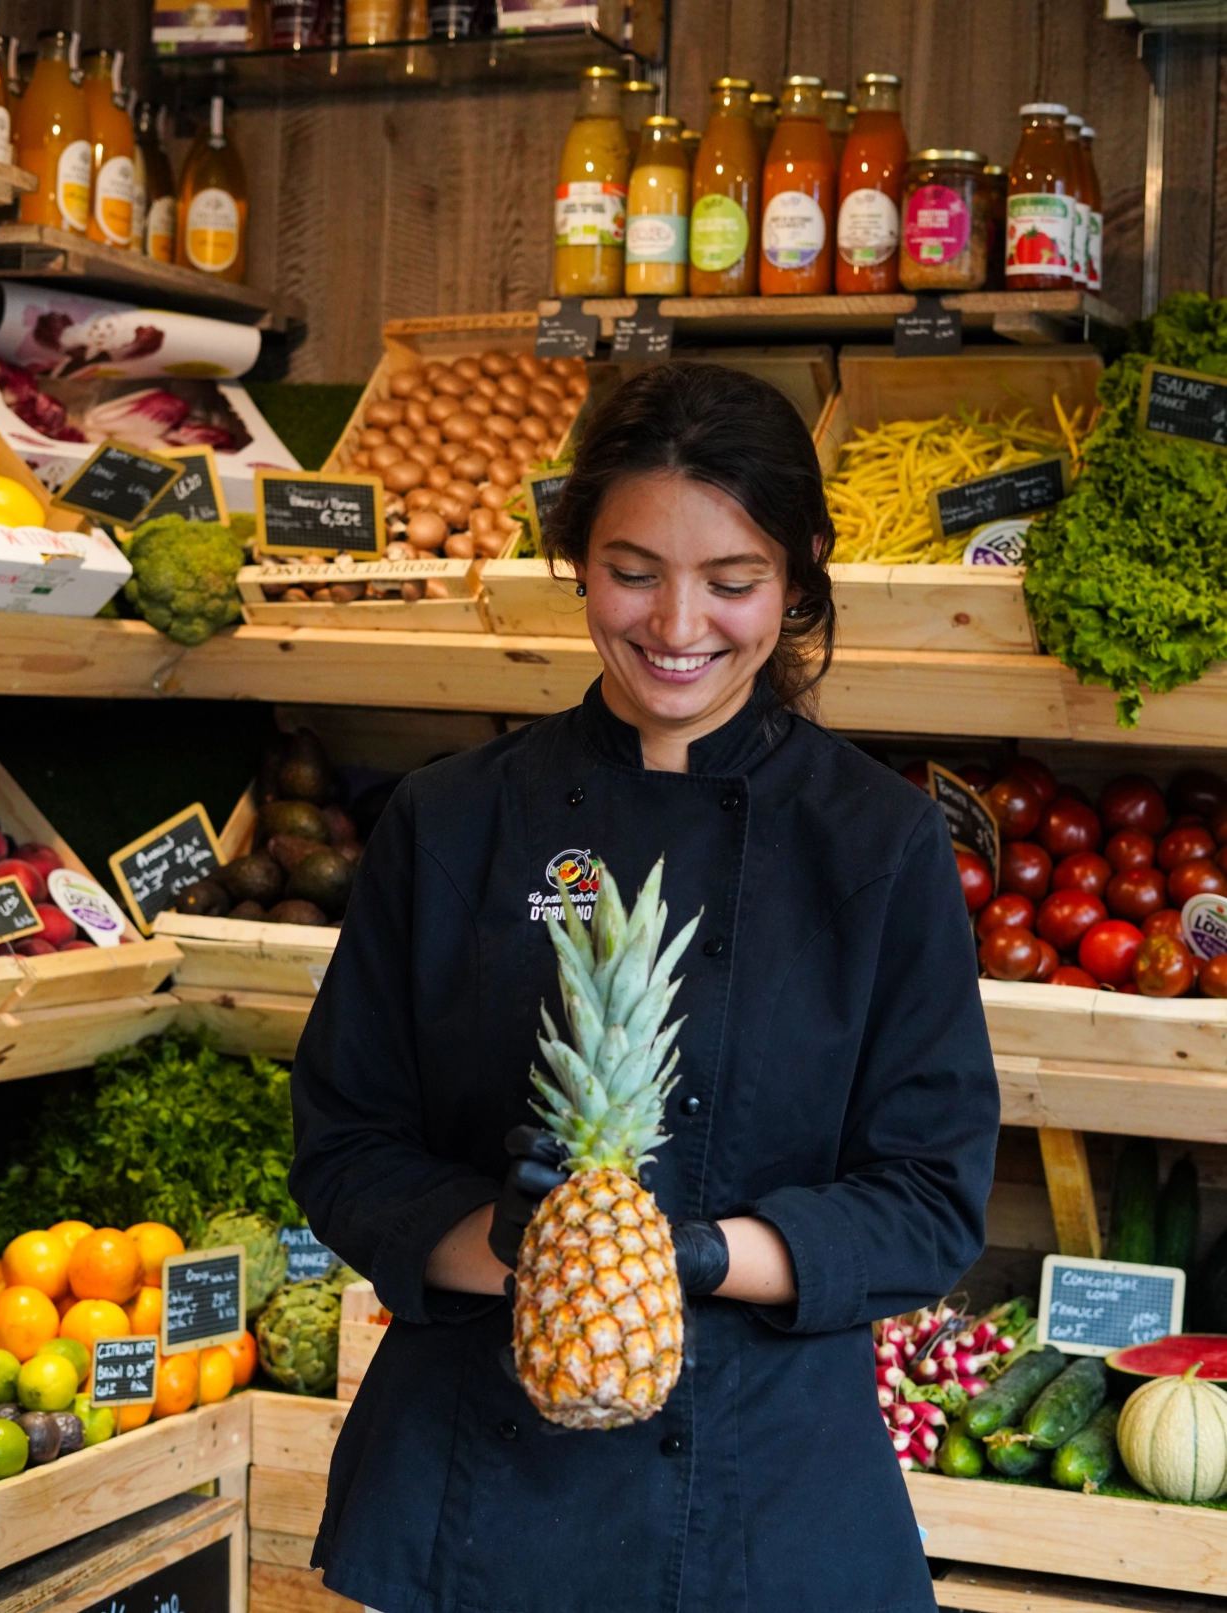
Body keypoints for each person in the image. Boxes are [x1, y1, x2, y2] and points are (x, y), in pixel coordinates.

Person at [289, 362, 999, 1613]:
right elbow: (346, 1143)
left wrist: (699, 1254)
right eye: (631, 571)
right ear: (574, 557)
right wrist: (522, 1248)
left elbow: (927, 1198)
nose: (677, 624)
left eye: (731, 582)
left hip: (767, 1499)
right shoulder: (451, 818)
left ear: (798, 573)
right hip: (479, 1490)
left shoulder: (876, 844)